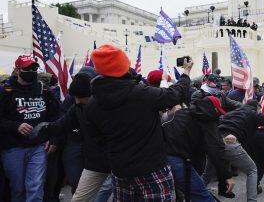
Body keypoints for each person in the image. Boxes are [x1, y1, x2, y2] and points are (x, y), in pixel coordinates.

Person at [86, 45, 194, 201]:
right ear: (124, 66)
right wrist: (185, 73)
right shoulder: (141, 94)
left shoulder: (92, 103)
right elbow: (175, 94)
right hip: (153, 169)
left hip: (120, 171)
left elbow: (97, 140)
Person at [30, 67, 112, 202]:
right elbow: (63, 123)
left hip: (115, 155)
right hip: (87, 154)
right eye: (75, 98)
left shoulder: (110, 104)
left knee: (113, 188)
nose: (77, 101)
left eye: (81, 97)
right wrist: (46, 128)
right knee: (78, 192)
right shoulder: (76, 105)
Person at [202, 100, 264, 202]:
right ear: (257, 107)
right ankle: (251, 200)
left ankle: (195, 194)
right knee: (252, 170)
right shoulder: (253, 114)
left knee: (207, 174)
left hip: (213, 143)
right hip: (230, 142)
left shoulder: (231, 113)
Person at [0, 55, 60, 202]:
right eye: (27, 68)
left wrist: (53, 138)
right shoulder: (5, 91)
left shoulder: (44, 90)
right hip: (13, 147)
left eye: (34, 68)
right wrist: (16, 126)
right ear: (17, 70)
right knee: (18, 188)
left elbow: (55, 117)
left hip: (38, 146)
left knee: (35, 186)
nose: (32, 71)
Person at [162, 94, 234, 202]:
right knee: (203, 197)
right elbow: (216, 150)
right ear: (213, 109)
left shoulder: (183, 113)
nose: (219, 115)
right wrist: (227, 176)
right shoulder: (208, 120)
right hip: (177, 160)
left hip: (158, 157)